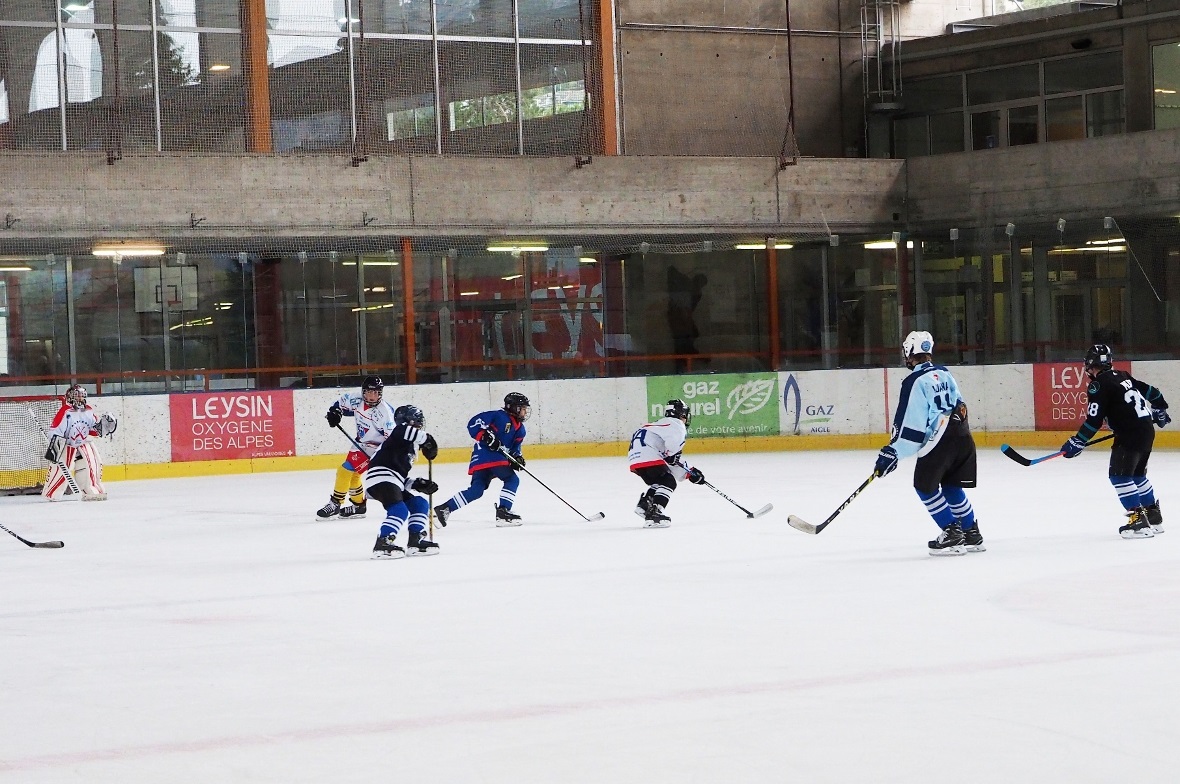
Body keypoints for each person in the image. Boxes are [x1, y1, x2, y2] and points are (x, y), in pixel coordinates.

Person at [873, 331, 982, 556]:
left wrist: (893, 451)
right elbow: (960, 404)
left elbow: (911, 424)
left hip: (940, 439)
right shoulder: (945, 373)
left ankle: (952, 533)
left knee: (925, 487)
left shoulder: (914, 381)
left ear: (909, 353)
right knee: (952, 486)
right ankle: (971, 532)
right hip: (963, 435)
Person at [1060, 344, 1169, 538]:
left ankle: (1139, 522)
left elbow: (1094, 420)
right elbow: (1151, 391)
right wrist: (1160, 408)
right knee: (1137, 475)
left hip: (1129, 435)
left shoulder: (1098, 385)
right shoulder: (1123, 375)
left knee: (1119, 476)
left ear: (1091, 365)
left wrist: (1078, 441)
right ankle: (1153, 516)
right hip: (1146, 431)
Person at [434, 392, 530, 527]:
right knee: (512, 479)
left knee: (476, 490)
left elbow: (515, 448)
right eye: (523, 408)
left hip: (480, 461)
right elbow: (473, 423)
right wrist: (485, 436)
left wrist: (517, 458)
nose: (525, 412)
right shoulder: (498, 416)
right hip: (489, 456)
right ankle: (503, 511)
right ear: (513, 407)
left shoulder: (520, 430)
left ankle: (446, 508)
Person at [316, 376, 397, 520]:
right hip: (361, 442)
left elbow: (391, 440)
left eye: (376, 393)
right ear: (363, 392)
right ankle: (359, 506)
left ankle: (335, 503)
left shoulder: (386, 414)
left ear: (381, 393)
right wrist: (335, 413)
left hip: (376, 447)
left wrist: (383, 458)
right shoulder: (356, 399)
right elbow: (339, 404)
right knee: (353, 476)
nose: (372, 396)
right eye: (369, 392)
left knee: (345, 470)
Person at [368, 405, 441, 559]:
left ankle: (415, 541)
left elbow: (399, 477)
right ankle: (383, 543)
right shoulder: (400, 432)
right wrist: (428, 439)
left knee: (420, 503)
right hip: (381, 478)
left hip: (390, 479)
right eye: (417, 422)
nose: (420, 425)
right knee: (399, 510)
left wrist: (416, 483)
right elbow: (405, 431)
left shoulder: (408, 447)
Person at [627, 399, 706, 528]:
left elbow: (670, 458)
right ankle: (655, 514)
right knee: (668, 482)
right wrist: (675, 458)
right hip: (648, 456)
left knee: (661, 480)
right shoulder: (676, 424)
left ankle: (645, 505)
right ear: (682, 414)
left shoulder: (659, 425)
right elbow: (672, 452)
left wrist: (690, 472)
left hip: (635, 459)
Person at [42, 384, 116, 502]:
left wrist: (103, 427)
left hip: (81, 443)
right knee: (60, 469)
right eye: (77, 396)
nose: (80, 399)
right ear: (70, 397)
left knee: (93, 462)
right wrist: (55, 445)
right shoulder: (65, 411)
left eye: (82, 396)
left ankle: (91, 489)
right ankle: (52, 492)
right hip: (66, 445)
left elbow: (94, 430)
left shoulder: (88, 410)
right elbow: (55, 431)